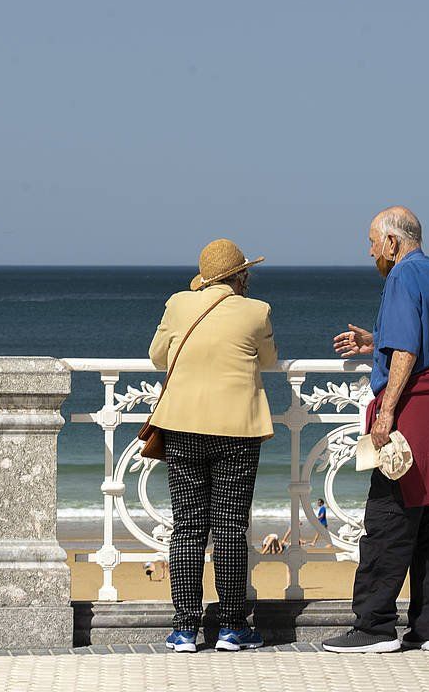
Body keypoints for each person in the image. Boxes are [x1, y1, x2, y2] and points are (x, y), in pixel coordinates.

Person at [321, 207, 429, 654]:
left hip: (414, 409)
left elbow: (407, 348)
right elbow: (427, 340)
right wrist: (375, 343)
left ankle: (374, 626)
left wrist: (385, 411)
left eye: (372, 243)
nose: (369, 252)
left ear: (392, 242)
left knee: (388, 517)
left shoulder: (401, 277)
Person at [149, 238, 277, 654]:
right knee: (229, 529)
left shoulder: (177, 303)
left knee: (187, 527)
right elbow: (270, 359)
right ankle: (232, 628)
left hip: (182, 426)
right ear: (241, 277)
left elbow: (156, 357)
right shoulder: (256, 311)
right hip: (237, 430)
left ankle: (185, 629)